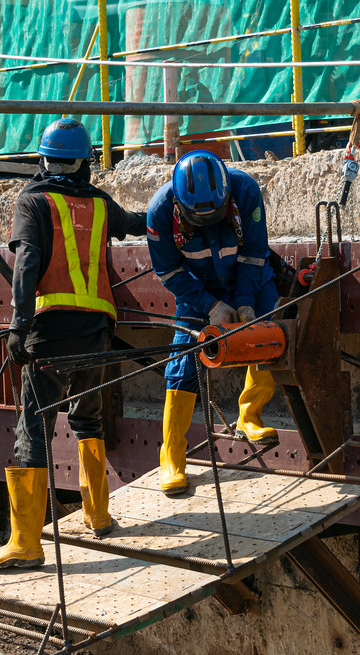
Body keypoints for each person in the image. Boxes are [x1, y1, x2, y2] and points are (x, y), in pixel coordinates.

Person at [0, 118, 146, 569]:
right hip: (97, 334)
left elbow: (27, 261)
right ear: (83, 164)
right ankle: (98, 515)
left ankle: (26, 544)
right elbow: (136, 224)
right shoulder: (98, 203)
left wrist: (19, 324)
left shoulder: (32, 201)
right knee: (87, 418)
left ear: (43, 159)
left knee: (32, 430)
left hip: (49, 336)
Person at [145, 150, 279, 496]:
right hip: (197, 288)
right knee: (182, 364)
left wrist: (246, 304)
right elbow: (168, 272)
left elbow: (254, 253)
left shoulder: (245, 190)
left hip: (247, 278)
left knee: (264, 337)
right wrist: (210, 305)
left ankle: (250, 415)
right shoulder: (160, 212)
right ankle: (171, 458)